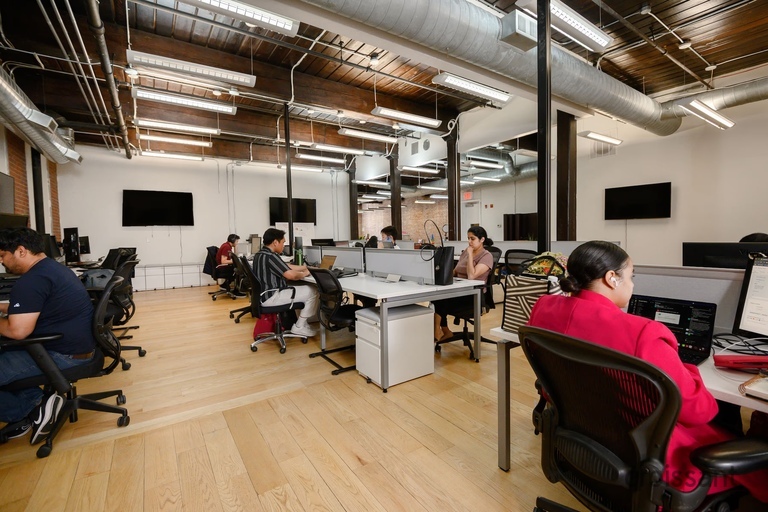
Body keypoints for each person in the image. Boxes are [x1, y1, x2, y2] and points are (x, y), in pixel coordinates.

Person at [526, 240, 768, 503]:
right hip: (649, 460)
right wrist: (684, 366)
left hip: (587, 442)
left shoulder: (544, 307)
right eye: (631, 276)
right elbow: (700, 411)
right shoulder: (644, 333)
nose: (632, 284)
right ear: (611, 279)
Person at [0, 228, 96, 444]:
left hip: (60, 354)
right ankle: (37, 405)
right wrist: (5, 308)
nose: (2, 262)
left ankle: (30, 410)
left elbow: (18, 331)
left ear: (21, 251)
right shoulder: (52, 269)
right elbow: (33, 305)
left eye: (3, 255)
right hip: (77, 348)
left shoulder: (30, 281)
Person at [252, 228, 319, 338]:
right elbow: (291, 275)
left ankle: (302, 323)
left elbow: (286, 266)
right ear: (275, 242)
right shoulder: (271, 257)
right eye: (283, 242)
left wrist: (305, 267)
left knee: (303, 289)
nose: (284, 245)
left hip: (262, 296)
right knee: (313, 290)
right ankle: (299, 327)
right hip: (272, 297)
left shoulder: (260, 254)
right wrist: (306, 273)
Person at [432, 225, 494, 342]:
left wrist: (470, 255)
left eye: (473, 239)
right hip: (460, 290)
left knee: (441, 300)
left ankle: (438, 332)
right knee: (436, 297)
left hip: (474, 296)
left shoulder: (487, 256)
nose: (469, 241)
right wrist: (444, 276)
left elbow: (472, 276)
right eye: (468, 238)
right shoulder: (465, 252)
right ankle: (443, 331)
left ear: (482, 240)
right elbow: (456, 270)